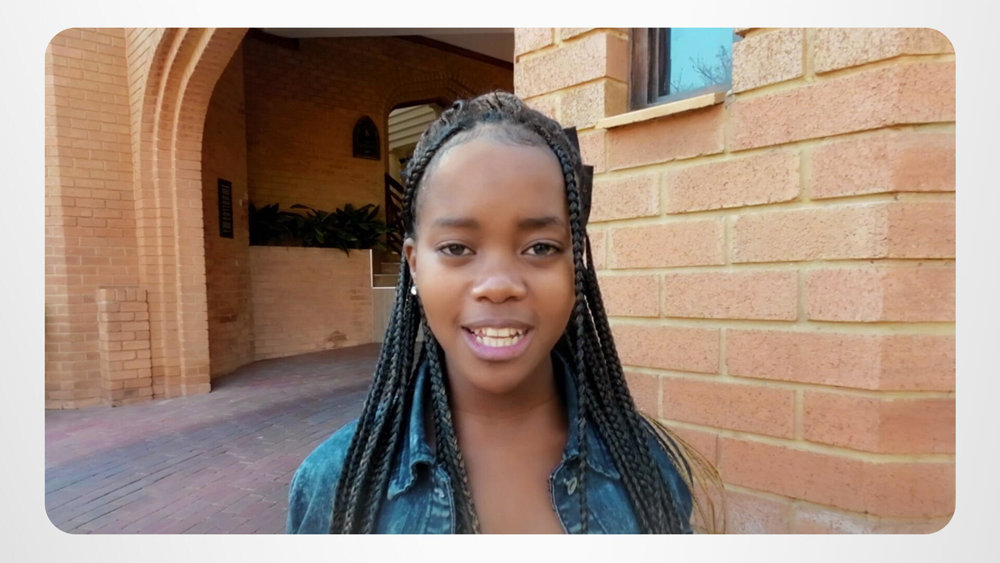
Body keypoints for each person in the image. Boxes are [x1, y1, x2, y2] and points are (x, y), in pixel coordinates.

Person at [286, 91, 721, 534]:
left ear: (576, 266)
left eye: (540, 248)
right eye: (457, 248)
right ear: (414, 264)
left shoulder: (647, 471)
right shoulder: (334, 486)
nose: (498, 285)